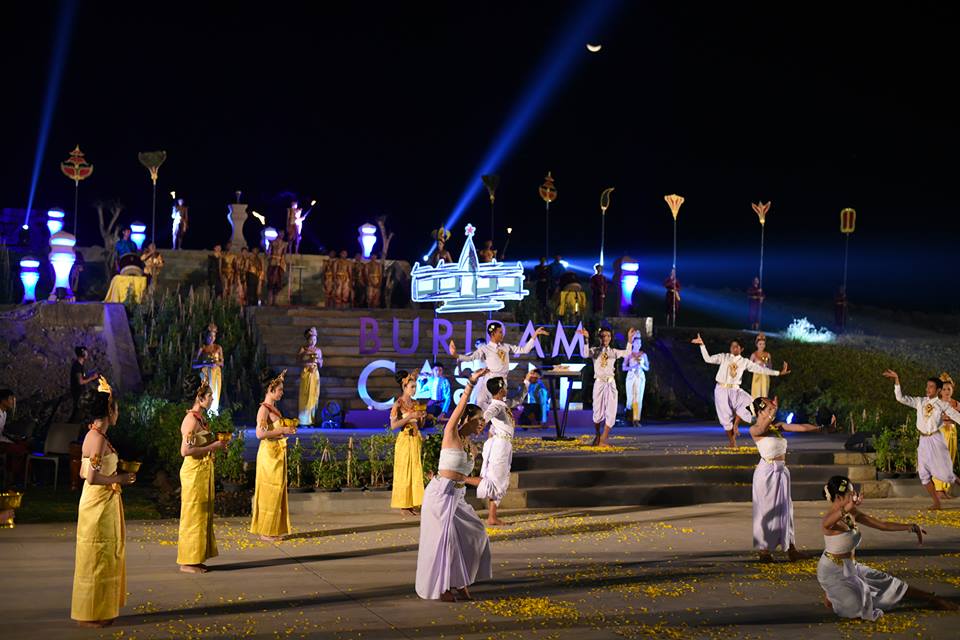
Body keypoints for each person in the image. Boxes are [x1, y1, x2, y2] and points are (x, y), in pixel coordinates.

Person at [818, 475, 955, 619]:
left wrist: (911, 527)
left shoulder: (851, 513)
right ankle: (834, 593)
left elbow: (882, 525)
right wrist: (847, 508)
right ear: (839, 497)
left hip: (851, 567)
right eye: (850, 494)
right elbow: (826, 523)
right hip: (832, 571)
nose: (854, 496)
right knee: (857, 610)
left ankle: (933, 599)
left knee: (890, 583)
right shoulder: (830, 519)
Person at [416, 367, 491, 601]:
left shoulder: (473, 447)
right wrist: (470, 383)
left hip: (457, 498)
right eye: (479, 420)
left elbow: (461, 474)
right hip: (440, 495)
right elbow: (450, 473)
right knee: (445, 542)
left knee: (476, 534)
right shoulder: (451, 434)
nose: (482, 424)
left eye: (483, 421)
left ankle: (461, 581)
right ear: (466, 418)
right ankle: (445, 587)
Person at [70, 376, 136, 627]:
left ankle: (95, 610)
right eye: (116, 407)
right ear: (109, 410)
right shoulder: (96, 439)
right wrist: (120, 477)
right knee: (98, 558)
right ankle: (93, 613)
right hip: (98, 505)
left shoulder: (94, 436)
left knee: (100, 557)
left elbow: (83, 472)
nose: (118, 412)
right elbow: (92, 477)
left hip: (101, 503)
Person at [748, 396, 820, 562]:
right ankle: (764, 552)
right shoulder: (755, 430)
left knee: (786, 511)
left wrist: (820, 428)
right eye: (768, 407)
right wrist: (773, 412)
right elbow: (762, 428)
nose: (772, 408)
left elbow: (800, 427)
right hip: (766, 474)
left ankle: (791, 549)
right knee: (766, 511)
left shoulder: (776, 426)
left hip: (781, 473)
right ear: (760, 411)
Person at [691, 333, 789, 448]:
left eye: (737, 346)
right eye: (732, 346)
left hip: (736, 390)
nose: (734, 348)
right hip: (721, 390)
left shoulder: (744, 362)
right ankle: (732, 442)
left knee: (751, 403)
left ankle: (767, 419)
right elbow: (707, 359)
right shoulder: (724, 356)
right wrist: (702, 344)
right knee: (726, 419)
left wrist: (778, 373)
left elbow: (761, 369)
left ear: (741, 349)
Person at [883, 370, 960, 510]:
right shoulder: (920, 401)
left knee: (947, 475)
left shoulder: (942, 405)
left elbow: (956, 416)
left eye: (930, 386)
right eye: (927, 386)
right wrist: (897, 380)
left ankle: (945, 489)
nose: (927, 389)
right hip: (923, 441)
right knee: (923, 474)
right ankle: (937, 502)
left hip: (936, 439)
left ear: (938, 390)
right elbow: (901, 398)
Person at [177, 377, 227, 573]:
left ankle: (195, 557)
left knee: (201, 515)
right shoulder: (190, 420)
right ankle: (187, 561)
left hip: (202, 471)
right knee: (192, 515)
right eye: (210, 396)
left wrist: (214, 445)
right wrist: (213, 446)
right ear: (200, 398)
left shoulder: (200, 418)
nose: (212, 399)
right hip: (193, 472)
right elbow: (185, 451)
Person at [449, 322, 548, 410]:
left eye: (502, 332)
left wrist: (535, 335)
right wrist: (456, 355)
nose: (502, 334)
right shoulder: (485, 349)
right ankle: (478, 427)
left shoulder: (506, 347)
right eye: (500, 332)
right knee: (480, 404)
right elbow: (471, 357)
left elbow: (524, 350)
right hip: (489, 379)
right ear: (493, 334)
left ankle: (495, 429)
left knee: (500, 408)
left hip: (501, 382)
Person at [251, 370, 297, 541]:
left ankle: (273, 528)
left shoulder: (274, 409)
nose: (282, 392)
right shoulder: (263, 410)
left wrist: (286, 430)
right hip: (269, 455)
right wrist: (283, 430)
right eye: (279, 390)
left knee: (277, 491)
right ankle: (266, 530)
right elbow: (259, 434)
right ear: (271, 389)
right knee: (269, 491)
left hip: (276, 453)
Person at [478, 375, 528, 525]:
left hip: (504, 445)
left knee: (500, 479)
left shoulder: (503, 404)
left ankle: (492, 515)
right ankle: (492, 517)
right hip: (500, 446)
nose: (507, 389)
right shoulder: (496, 406)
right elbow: (487, 414)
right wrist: (481, 423)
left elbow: (518, 400)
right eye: (505, 387)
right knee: (496, 480)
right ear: (500, 390)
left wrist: (526, 382)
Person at [580, 327, 638, 446]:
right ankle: (597, 435)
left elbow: (627, 353)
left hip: (610, 383)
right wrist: (585, 339)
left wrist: (630, 340)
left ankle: (603, 439)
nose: (605, 338)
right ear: (599, 338)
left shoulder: (613, 352)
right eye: (603, 336)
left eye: (608, 336)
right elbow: (585, 354)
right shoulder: (594, 351)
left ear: (610, 338)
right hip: (599, 383)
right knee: (597, 413)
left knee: (611, 411)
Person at [390, 371, 426, 516]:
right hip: (404, 439)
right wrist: (409, 416)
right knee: (404, 471)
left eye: (415, 387)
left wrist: (421, 417)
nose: (414, 389)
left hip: (415, 439)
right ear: (404, 386)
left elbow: (420, 425)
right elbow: (393, 425)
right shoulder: (398, 403)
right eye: (412, 387)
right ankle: (403, 505)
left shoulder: (416, 403)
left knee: (415, 471)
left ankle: (413, 503)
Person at [193, 323, 224, 416]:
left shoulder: (218, 348)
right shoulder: (203, 348)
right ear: (206, 337)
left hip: (216, 373)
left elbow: (222, 363)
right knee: (206, 393)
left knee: (215, 393)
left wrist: (215, 364)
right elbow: (194, 364)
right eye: (209, 336)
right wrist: (205, 364)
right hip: (206, 374)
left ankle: (214, 413)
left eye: (213, 336)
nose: (211, 338)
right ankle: (203, 412)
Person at [0, 389, 28, 489]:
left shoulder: (4, 413)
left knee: (23, 445)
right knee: (18, 449)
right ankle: (12, 478)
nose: (12, 402)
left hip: (2, 440)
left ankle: (14, 476)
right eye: (11, 399)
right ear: (3, 400)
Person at [936, 372, 958, 498]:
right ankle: (939, 489)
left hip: (953, 432)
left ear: (952, 390)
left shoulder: (955, 403)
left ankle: (945, 489)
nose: (946, 391)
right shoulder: (936, 403)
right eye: (944, 389)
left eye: (949, 389)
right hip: (941, 431)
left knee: (950, 460)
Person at [297, 328, 323, 425]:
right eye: (311, 340)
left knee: (313, 396)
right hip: (306, 373)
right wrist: (307, 360)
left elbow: (321, 364)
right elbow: (298, 361)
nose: (313, 342)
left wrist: (317, 361)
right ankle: (303, 421)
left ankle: (312, 420)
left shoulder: (318, 350)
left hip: (314, 373)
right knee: (305, 395)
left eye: (315, 340)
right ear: (307, 340)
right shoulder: (303, 349)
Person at [623, 334, 649, 427]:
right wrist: (632, 367)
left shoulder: (643, 354)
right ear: (633, 343)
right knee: (630, 399)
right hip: (631, 376)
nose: (638, 344)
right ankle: (627, 417)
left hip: (640, 377)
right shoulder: (629, 354)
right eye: (637, 342)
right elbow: (623, 367)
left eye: (640, 342)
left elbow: (647, 368)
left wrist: (641, 365)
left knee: (638, 399)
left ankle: (636, 420)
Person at [69, 346, 99, 423]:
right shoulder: (77, 366)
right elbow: (80, 381)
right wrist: (92, 378)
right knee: (77, 413)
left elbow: (82, 377)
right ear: (83, 354)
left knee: (77, 412)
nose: (87, 354)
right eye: (86, 352)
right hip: (78, 393)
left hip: (78, 392)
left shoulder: (79, 365)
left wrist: (89, 374)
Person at [267, 231, 288, 305]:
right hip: (272, 262)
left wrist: (283, 263)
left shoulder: (284, 244)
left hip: (279, 263)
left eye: (283, 234)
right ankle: (270, 301)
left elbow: (284, 254)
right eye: (280, 234)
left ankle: (275, 301)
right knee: (271, 281)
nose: (281, 235)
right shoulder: (272, 242)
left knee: (278, 282)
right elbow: (269, 252)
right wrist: (269, 257)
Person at [749, 333, 772, 399]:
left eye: (763, 344)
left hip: (765, 377)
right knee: (757, 395)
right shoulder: (754, 355)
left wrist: (766, 365)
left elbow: (770, 367)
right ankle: (756, 408)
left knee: (764, 395)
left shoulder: (767, 354)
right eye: (760, 344)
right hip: (757, 377)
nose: (762, 346)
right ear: (757, 344)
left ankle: (763, 408)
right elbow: (749, 367)